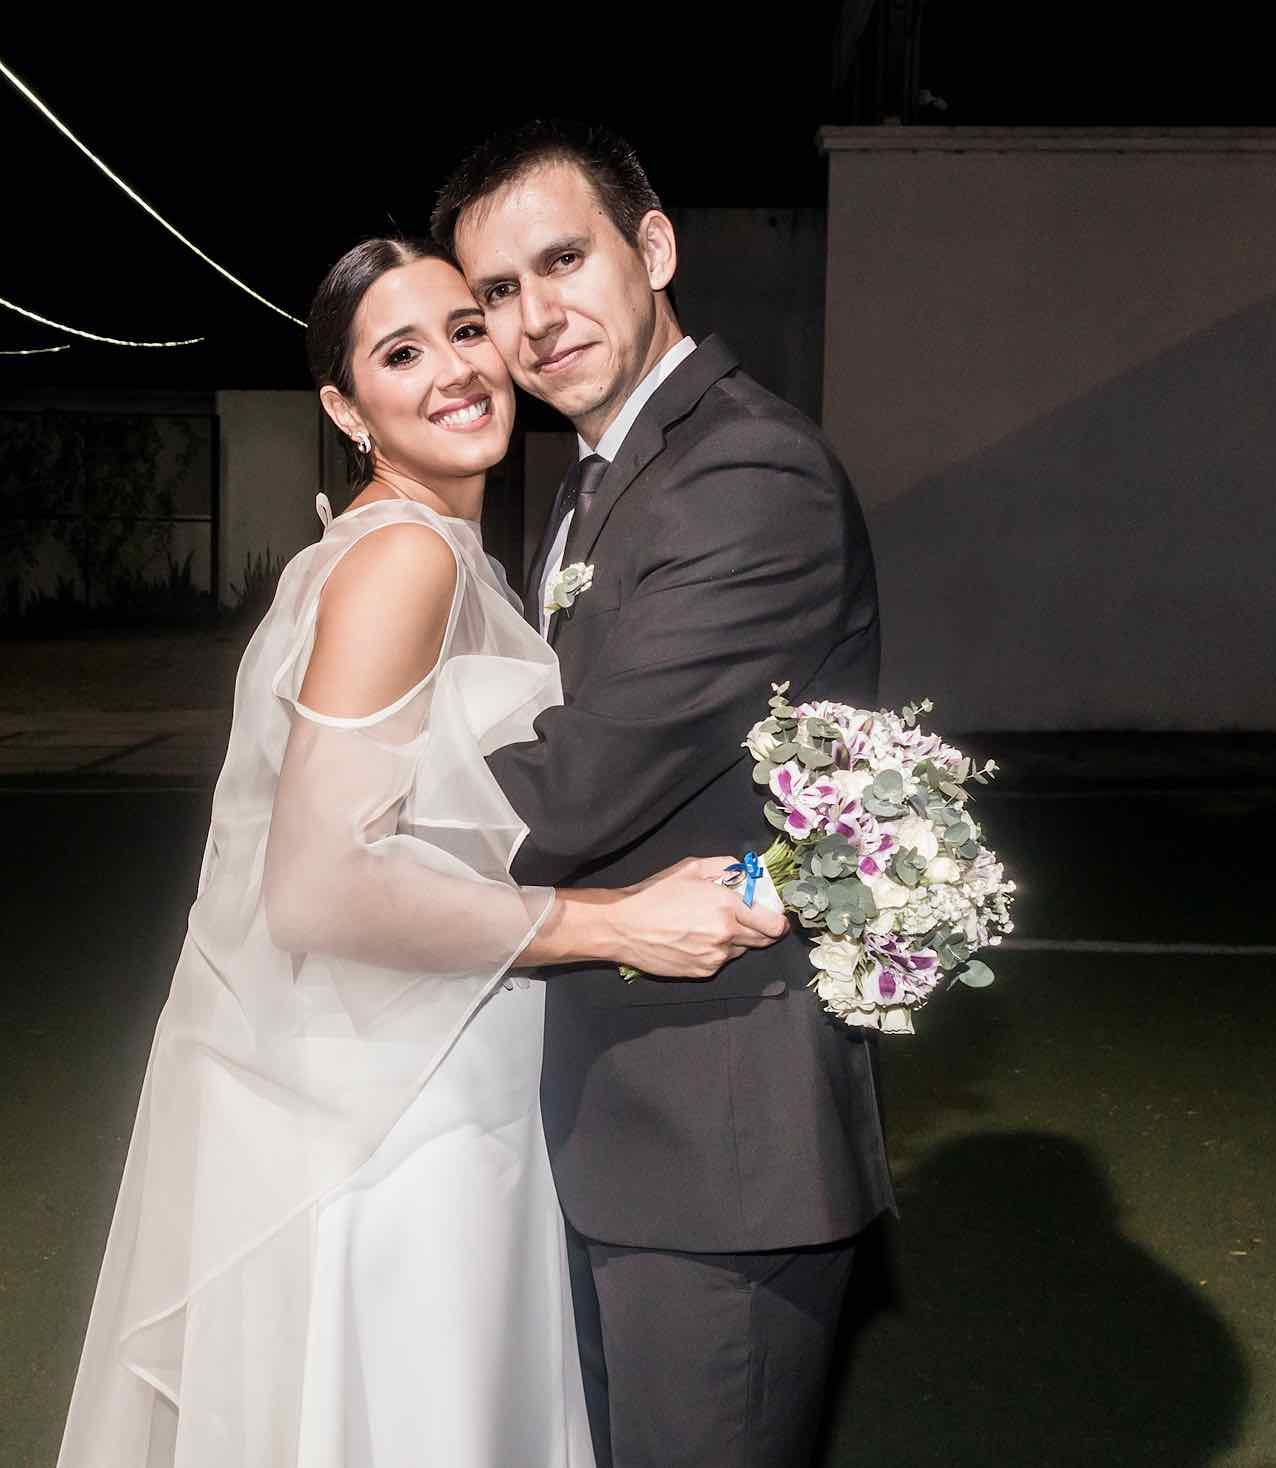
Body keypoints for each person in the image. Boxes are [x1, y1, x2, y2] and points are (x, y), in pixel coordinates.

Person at [53, 235, 784, 1468]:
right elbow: (316, 887)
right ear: (346, 408)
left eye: (466, 327)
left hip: (413, 1050)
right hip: (403, 1099)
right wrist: (614, 921)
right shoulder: (403, 558)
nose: (455, 368)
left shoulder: (408, 545)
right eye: (400, 353)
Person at [437, 120, 896, 1468]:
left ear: (653, 247)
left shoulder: (745, 475)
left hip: (714, 1143)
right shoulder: (599, 479)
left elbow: (578, 788)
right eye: (497, 292)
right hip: (612, 1115)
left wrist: (354, 817)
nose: (533, 318)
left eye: (561, 261)